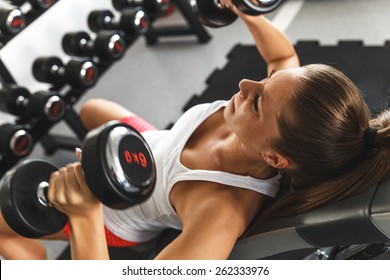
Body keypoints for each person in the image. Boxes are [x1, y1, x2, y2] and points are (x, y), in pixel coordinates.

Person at [1, 4, 390, 260]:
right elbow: (282, 58)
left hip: (113, 216)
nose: (243, 85)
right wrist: (246, 11)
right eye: (264, 83)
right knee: (92, 109)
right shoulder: (273, 117)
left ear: (274, 158)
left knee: (6, 233)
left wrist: (84, 214)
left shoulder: (222, 211)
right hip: (156, 147)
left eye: (257, 101)